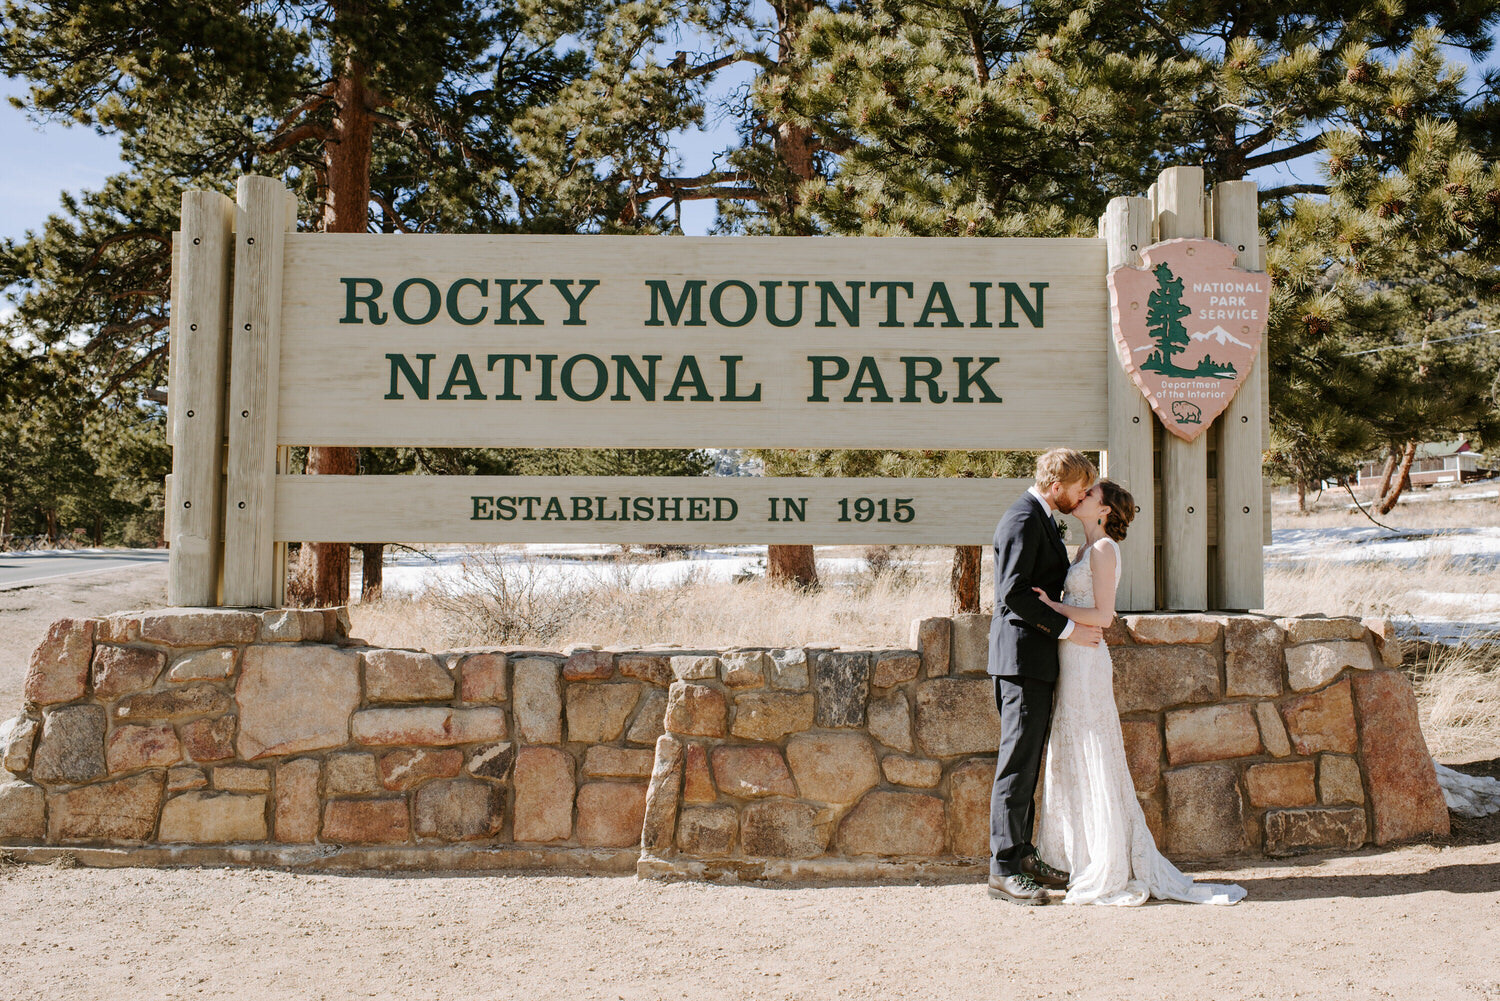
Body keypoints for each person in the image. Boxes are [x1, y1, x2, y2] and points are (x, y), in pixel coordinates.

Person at [1031, 478, 1246, 906]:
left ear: (1105, 510)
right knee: (1073, 750)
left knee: (1093, 747)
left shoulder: (1104, 550)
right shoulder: (1083, 550)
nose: (1081, 497)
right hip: (1071, 659)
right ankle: (1081, 856)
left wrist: (1053, 608)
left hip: (1088, 662)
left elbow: (1104, 615)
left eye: (1090, 494)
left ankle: (1107, 863)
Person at [986, 448, 1102, 905]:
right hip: (1019, 660)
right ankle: (1003, 868)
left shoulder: (1040, 515)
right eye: (1079, 489)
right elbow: (1013, 593)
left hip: (1033, 659)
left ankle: (1024, 855)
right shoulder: (1020, 520)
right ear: (1057, 486)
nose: (1082, 496)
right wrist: (1070, 628)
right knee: (1016, 764)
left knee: (1028, 761)